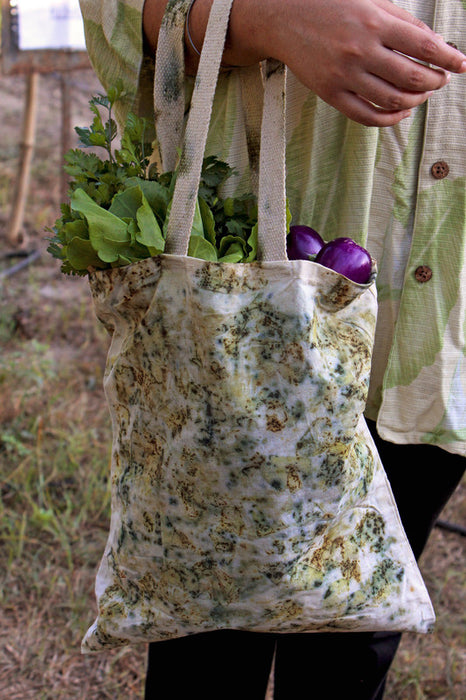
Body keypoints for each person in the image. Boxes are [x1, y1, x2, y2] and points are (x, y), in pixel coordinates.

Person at [78, 0, 466, 697]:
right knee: (211, 629)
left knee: (354, 629)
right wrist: (264, 17)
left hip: (441, 310)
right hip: (249, 289)